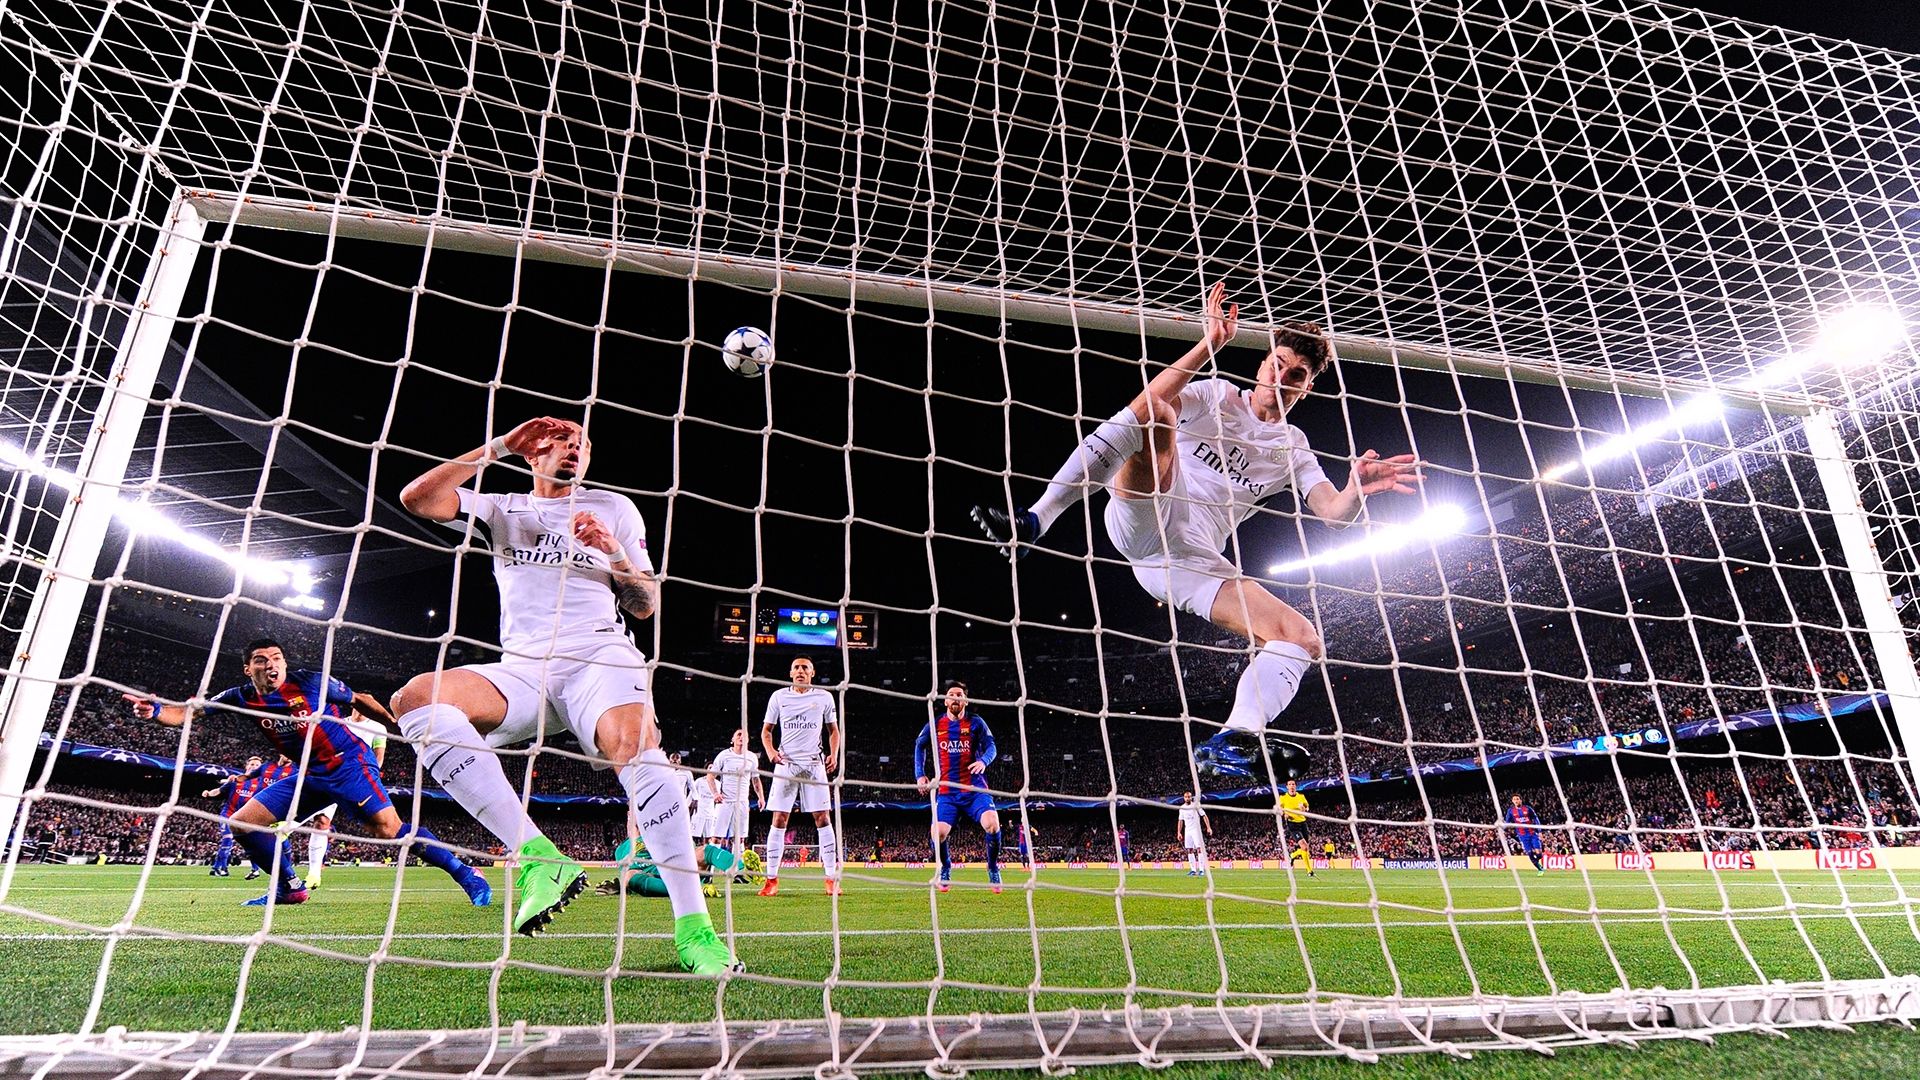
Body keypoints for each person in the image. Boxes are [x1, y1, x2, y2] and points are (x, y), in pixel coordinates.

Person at [971, 284, 1422, 777]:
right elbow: (1145, 403)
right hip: (1149, 511)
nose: (1283, 376)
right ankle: (1036, 519)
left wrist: (1356, 488)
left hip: (1190, 562)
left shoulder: (1294, 446)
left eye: (1298, 373)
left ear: (1307, 386)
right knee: (1157, 411)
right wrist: (1208, 344)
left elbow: (1333, 514)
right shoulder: (1217, 395)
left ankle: (1236, 738)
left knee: (1302, 639)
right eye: (1278, 362)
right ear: (1263, 363)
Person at [393, 416, 737, 973]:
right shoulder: (504, 508)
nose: (573, 450)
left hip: (598, 656)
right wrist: (502, 442)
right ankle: (537, 857)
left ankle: (694, 931)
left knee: (637, 746)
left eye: (582, 444)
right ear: (534, 453)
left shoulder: (614, 508)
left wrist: (613, 552)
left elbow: (645, 605)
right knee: (417, 698)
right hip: (524, 667)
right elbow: (418, 498)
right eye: (560, 442)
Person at [127, 639, 491, 909]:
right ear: (248, 669)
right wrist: (155, 710)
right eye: (261, 660)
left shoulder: (309, 683)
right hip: (309, 775)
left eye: (277, 658)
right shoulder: (239, 696)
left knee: (389, 830)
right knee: (242, 823)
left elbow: (359, 698)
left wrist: (394, 725)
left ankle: (466, 874)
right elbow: (187, 713)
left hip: (349, 763)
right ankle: (290, 887)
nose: (272, 665)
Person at [758, 655, 842, 896]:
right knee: (779, 819)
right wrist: (771, 752)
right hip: (786, 764)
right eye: (796, 667)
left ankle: (830, 878)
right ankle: (771, 879)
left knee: (823, 818)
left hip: (814, 764)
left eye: (805, 667)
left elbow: (833, 730)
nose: (801, 671)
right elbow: (766, 731)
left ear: (812, 673)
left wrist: (833, 754)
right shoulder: (779, 697)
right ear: (790, 673)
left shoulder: (824, 697)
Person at [915, 682, 1002, 894]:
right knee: (938, 833)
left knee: (992, 824)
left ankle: (992, 868)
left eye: (960, 695)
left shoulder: (976, 723)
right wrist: (920, 775)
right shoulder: (935, 725)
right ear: (945, 701)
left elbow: (992, 746)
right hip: (947, 791)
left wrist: (984, 761)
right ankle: (945, 867)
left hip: (974, 789)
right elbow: (919, 745)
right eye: (951, 695)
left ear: (965, 700)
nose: (955, 698)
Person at [201, 754, 269, 877]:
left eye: (257, 765)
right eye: (252, 764)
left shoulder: (260, 784)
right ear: (247, 766)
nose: (254, 767)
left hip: (246, 817)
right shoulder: (235, 780)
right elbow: (219, 790)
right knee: (227, 838)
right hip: (228, 814)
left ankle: (254, 869)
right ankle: (220, 868)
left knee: (251, 843)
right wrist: (209, 793)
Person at [706, 729, 764, 855]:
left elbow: (755, 780)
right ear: (732, 740)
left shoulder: (752, 758)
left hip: (742, 803)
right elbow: (710, 776)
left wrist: (761, 798)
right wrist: (715, 793)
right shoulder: (724, 755)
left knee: (739, 839)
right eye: (738, 735)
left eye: (745, 736)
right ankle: (709, 872)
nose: (741, 737)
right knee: (716, 837)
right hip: (725, 802)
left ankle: (737, 870)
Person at [1506, 794, 1546, 874]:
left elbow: (1535, 818)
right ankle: (1540, 869)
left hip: (1532, 834)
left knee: (1539, 854)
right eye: (1514, 799)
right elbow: (1507, 822)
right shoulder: (1511, 811)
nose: (1516, 801)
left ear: (1521, 800)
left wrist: (1540, 831)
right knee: (1530, 853)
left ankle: (1537, 860)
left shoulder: (1528, 809)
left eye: (1517, 799)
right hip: (1522, 836)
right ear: (1512, 801)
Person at [1177, 792, 1211, 876]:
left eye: (1189, 797)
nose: (1188, 798)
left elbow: (1204, 815)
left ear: (1191, 797)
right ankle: (1193, 870)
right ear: (1184, 798)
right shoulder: (1182, 808)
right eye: (1186, 797)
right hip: (1187, 830)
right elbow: (1180, 820)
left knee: (1199, 849)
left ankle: (1201, 870)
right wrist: (1179, 832)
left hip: (1196, 830)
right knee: (1189, 849)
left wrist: (1208, 827)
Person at [1278, 779, 1310, 851]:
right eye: (1289, 784)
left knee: (1306, 847)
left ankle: (1293, 856)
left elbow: (1307, 807)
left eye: (1293, 784)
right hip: (1292, 824)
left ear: (1296, 786)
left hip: (1302, 822)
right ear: (1287, 787)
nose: (1291, 786)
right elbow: (1280, 810)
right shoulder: (1283, 798)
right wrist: (1284, 814)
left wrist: (1304, 809)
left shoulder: (1301, 796)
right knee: (1304, 846)